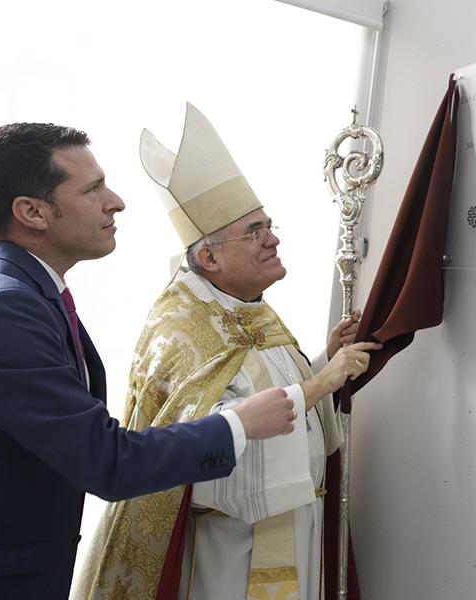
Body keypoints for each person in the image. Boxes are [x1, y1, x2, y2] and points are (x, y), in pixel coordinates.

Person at [0, 122, 300, 599]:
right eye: (93, 189)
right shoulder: (1, 310)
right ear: (33, 212)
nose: (116, 202)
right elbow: (106, 461)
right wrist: (239, 425)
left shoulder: (13, 291)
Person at [76, 104, 379, 600]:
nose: (273, 239)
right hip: (229, 551)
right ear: (209, 256)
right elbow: (213, 444)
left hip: (298, 528)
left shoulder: (250, 307)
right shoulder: (180, 328)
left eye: (269, 225)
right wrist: (320, 383)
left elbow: (278, 396)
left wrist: (325, 362)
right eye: (254, 232)